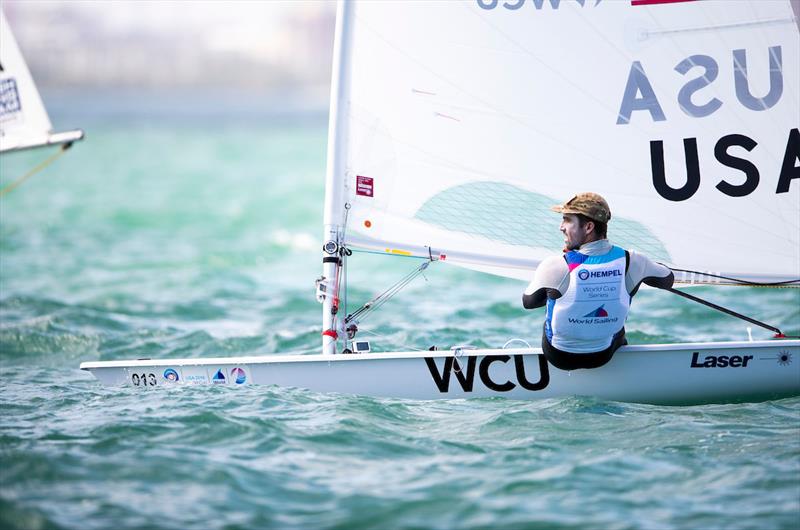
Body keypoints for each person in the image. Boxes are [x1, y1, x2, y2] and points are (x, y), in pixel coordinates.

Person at [522, 192, 674, 370]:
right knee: (620, 316)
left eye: (567, 220)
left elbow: (529, 302)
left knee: (554, 303)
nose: (561, 227)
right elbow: (667, 279)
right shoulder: (632, 261)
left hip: (558, 357)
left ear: (588, 227)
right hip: (602, 356)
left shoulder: (556, 265)